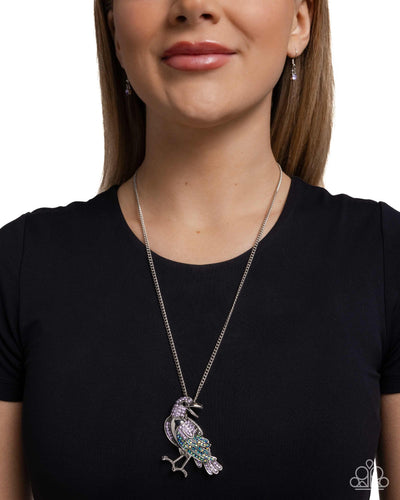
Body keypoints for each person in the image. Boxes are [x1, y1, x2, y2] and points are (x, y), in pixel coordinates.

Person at [0, 0, 399, 498]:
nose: (194, 6)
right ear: (115, 30)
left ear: (300, 22)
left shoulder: (384, 258)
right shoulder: (18, 269)